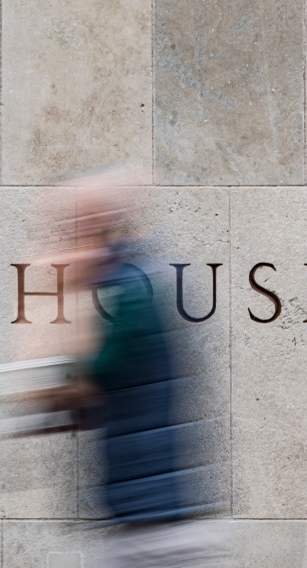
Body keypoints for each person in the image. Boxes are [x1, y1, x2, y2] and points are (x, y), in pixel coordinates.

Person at [60, 167, 227, 567]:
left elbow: (92, 378)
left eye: (76, 230)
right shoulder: (136, 281)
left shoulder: (131, 293)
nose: (68, 243)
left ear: (99, 232)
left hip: (153, 526)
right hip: (149, 513)